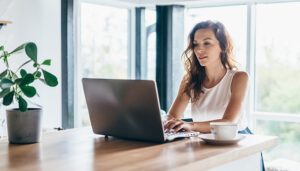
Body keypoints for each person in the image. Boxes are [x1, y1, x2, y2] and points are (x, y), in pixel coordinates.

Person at [163, 20, 265, 171]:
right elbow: (172, 116)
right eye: (196, 44)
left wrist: (190, 126)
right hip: (204, 143)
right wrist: (170, 124)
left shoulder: (239, 77)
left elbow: (229, 121)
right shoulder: (189, 80)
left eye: (207, 43)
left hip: (238, 144)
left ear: (223, 46)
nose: (199, 50)